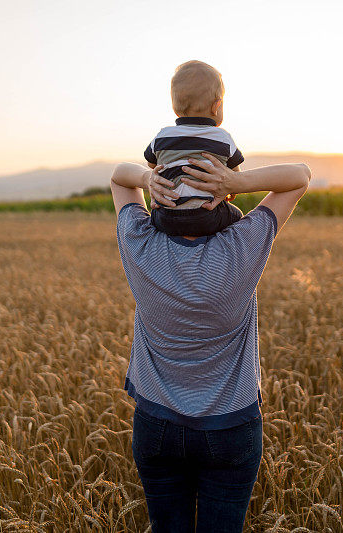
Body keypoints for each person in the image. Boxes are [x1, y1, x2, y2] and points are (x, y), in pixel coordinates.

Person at [110, 152, 311, 532]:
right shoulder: (243, 245)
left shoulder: (139, 241)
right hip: (232, 426)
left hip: (157, 423)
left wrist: (146, 176)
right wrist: (235, 183)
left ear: (159, 197)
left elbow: (120, 179)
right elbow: (300, 176)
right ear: (223, 198)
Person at [144, 60, 244, 237]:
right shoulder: (222, 137)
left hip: (166, 217)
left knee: (153, 216)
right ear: (217, 106)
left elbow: (152, 166)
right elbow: (235, 176)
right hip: (207, 216)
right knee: (237, 215)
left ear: (176, 108)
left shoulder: (162, 136)